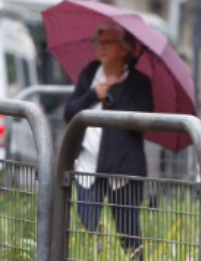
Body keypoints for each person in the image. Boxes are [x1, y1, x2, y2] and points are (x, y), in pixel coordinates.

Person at [64, 22, 154, 257]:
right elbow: (69, 113)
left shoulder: (138, 82)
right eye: (98, 42)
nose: (101, 47)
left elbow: (143, 122)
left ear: (124, 48)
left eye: (109, 42)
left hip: (124, 169)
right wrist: (92, 95)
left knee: (129, 235)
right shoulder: (90, 73)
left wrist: (118, 90)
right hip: (88, 167)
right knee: (88, 232)